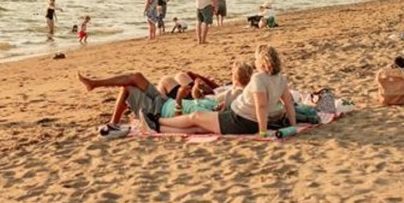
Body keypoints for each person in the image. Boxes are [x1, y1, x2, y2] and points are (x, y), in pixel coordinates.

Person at [151, 44, 296, 136]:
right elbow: (288, 103)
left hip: (239, 119)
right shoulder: (281, 78)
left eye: (257, 59)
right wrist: (293, 126)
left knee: (196, 117)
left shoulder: (259, 78)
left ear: (263, 61)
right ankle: (160, 128)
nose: (255, 62)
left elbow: (261, 106)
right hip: (245, 120)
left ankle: (159, 121)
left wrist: (263, 131)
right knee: (200, 128)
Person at [77, 71, 219, 126]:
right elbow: (197, 98)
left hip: (158, 111)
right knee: (136, 76)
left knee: (128, 88)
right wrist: (196, 89)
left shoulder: (206, 114)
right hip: (163, 100)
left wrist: (179, 98)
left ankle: (113, 123)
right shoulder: (212, 103)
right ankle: (94, 83)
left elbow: (179, 119)